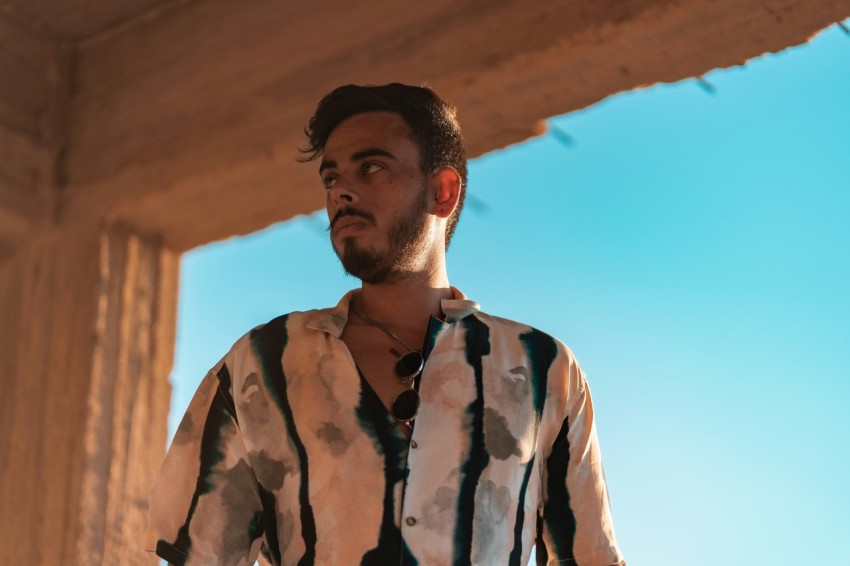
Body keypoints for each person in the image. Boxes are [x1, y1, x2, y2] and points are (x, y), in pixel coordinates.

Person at [145, 83, 625, 566]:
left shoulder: (541, 369)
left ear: (442, 192)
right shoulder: (264, 364)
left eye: (371, 168)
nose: (341, 191)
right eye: (331, 178)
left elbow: (591, 559)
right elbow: (197, 556)